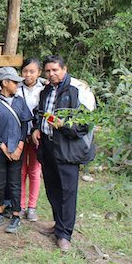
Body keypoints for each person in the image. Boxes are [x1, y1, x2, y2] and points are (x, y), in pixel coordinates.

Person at [32, 55, 96, 252]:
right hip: (48, 146)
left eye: (55, 70)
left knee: (67, 191)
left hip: (68, 148)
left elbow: (87, 122)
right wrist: (37, 128)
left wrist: (64, 125)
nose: (51, 74)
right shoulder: (46, 90)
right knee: (53, 189)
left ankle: (64, 234)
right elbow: (41, 112)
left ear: (64, 69)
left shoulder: (78, 90)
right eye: (48, 71)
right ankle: (58, 224)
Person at [0, 67, 33, 234]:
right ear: (5, 83)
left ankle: (15, 213)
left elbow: (26, 122)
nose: (18, 85)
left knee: (14, 182)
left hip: (17, 149)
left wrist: (20, 145)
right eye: (14, 82)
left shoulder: (20, 101)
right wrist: (3, 146)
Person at [16, 58, 45, 222]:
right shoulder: (17, 88)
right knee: (20, 171)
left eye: (32, 71)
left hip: (36, 136)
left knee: (34, 171)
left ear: (38, 73)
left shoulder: (44, 89)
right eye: (25, 71)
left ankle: (32, 207)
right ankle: (20, 205)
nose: (28, 75)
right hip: (20, 135)